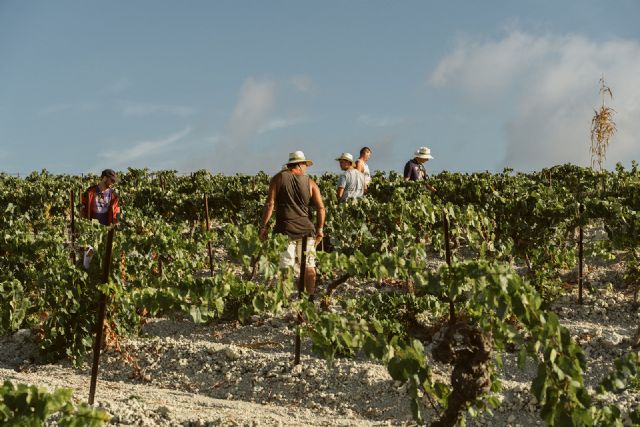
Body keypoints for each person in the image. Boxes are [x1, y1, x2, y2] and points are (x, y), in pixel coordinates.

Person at [259, 151, 325, 297]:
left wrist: (263, 226)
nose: (306, 168)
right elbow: (321, 207)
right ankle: (310, 297)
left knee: (286, 266)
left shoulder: (277, 178)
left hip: (284, 230)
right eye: (305, 165)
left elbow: (270, 204)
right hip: (307, 230)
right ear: (300, 165)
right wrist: (320, 229)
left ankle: (285, 298)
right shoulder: (310, 182)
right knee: (309, 264)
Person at [80, 169, 121, 269]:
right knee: (90, 250)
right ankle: (86, 269)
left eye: (114, 181)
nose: (113, 183)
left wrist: (116, 225)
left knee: (106, 252)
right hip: (92, 228)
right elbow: (82, 208)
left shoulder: (114, 195)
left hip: (107, 228)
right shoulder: (90, 191)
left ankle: (101, 272)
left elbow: (116, 212)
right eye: (112, 180)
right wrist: (83, 223)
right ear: (104, 178)